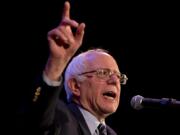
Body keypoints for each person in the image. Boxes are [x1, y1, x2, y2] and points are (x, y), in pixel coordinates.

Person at [18, 1, 128, 135]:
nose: (114, 81)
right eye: (103, 73)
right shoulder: (58, 117)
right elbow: (34, 117)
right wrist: (55, 65)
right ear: (75, 86)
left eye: (118, 76)